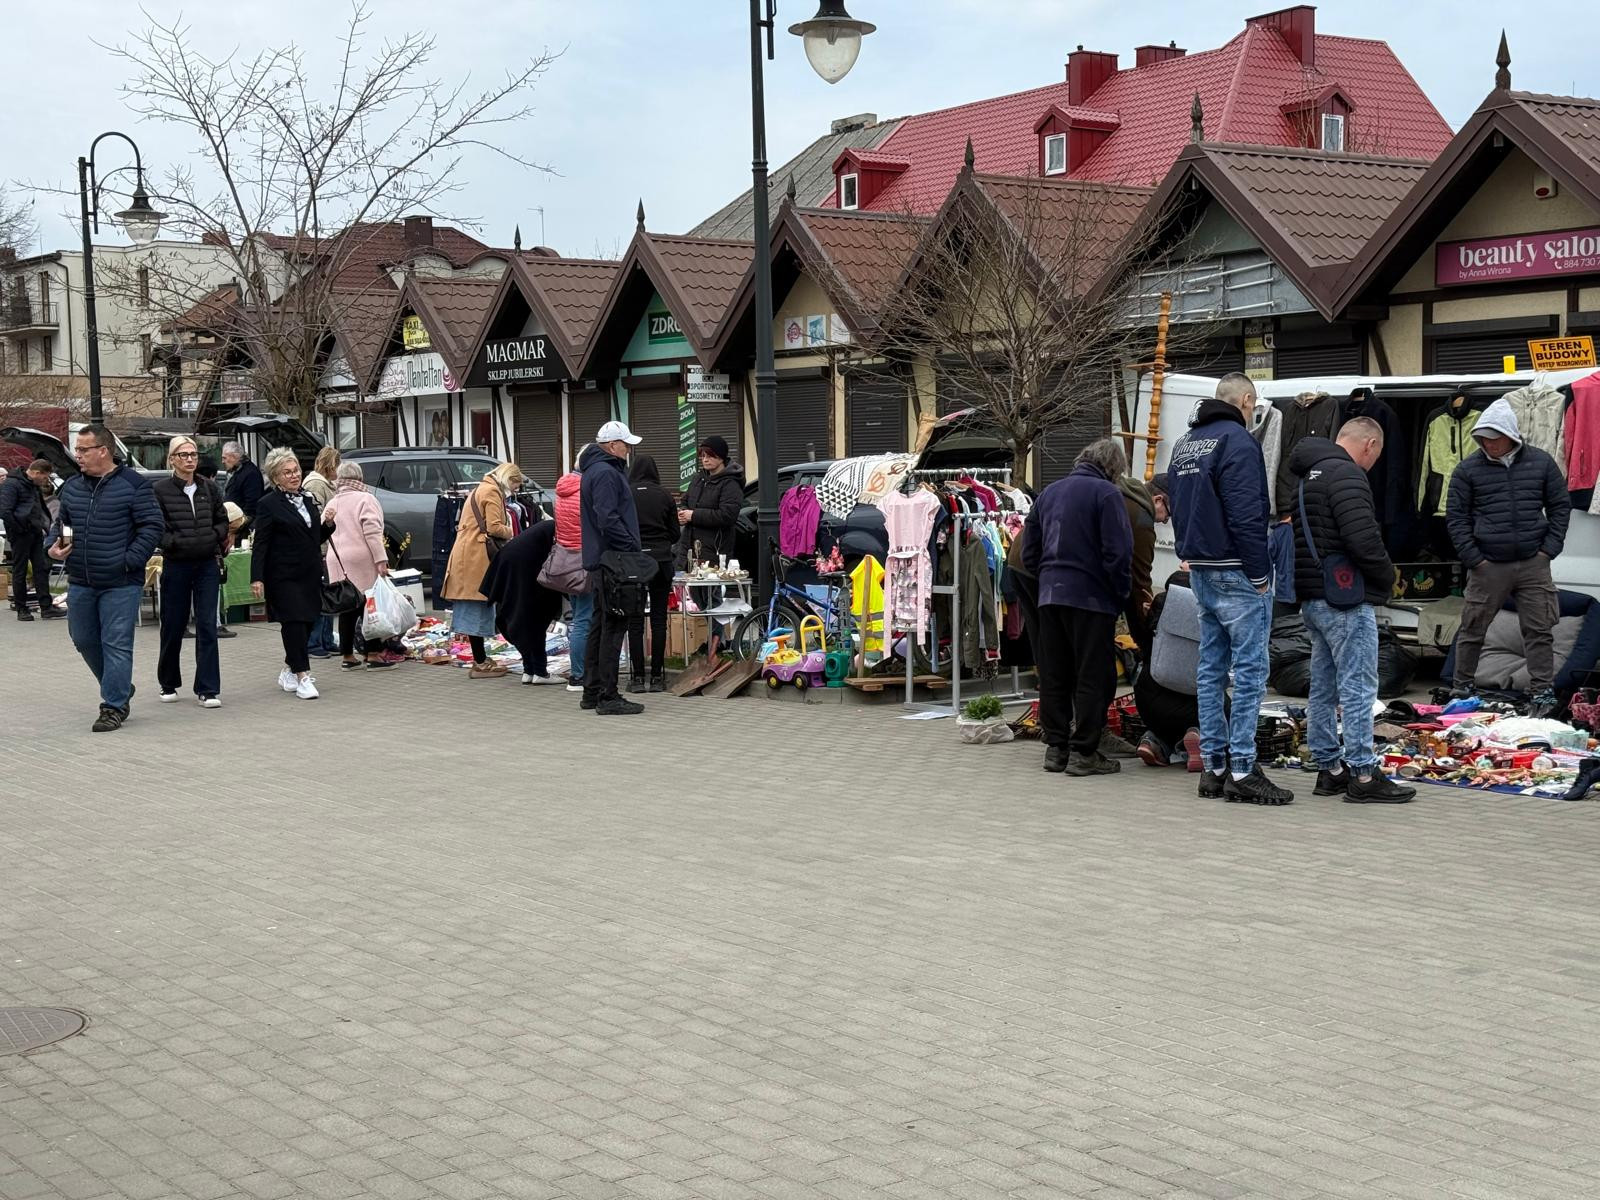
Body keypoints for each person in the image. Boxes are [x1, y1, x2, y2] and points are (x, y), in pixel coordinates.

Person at [1168, 372, 1293, 805]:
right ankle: (1242, 768)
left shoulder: (1186, 443)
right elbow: (1246, 512)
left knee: (1210, 670)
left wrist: (1188, 551)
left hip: (1201, 567)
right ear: (1246, 401)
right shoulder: (1238, 442)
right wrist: (1259, 573)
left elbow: (1178, 505)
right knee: (1250, 673)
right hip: (1236, 570)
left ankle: (1214, 767)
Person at [1288, 418, 1415, 804]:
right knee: (1358, 686)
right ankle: (1362, 773)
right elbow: (1363, 538)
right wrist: (1387, 576)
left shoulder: (1306, 477)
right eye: (1377, 454)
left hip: (1313, 596)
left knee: (1323, 687)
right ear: (1370, 444)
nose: (1374, 462)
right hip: (1344, 598)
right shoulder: (1346, 474)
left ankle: (1330, 769)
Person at [1448, 397, 1571, 717]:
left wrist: (1548, 550)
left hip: (1533, 562)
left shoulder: (1542, 463)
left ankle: (1542, 693)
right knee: (1472, 628)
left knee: (1539, 629)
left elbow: (1560, 506)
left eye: (1494, 437)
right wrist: (1474, 559)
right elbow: (1456, 518)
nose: (1488, 444)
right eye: (1483, 438)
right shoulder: (1467, 469)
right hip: (1487, 564)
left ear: (1510, 435)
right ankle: (1462, 688)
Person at [1022, 438, 1133, 776]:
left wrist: (1047, 578)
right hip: (1091, 599)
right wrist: (1119, 595)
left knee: (1054, 673)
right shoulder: (1107, 495)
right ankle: (1085, 751)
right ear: (1113, 468)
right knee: (1091, 675)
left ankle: (1056, 749)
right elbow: (1119, 553)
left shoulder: (1049, 493)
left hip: (1050, 595)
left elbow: (1029, 551)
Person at [47, 424, 164, 732]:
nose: (77, 455)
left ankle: (113, 706)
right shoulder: (73, 486)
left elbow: (152, 526)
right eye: (77, 449)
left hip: (120, 582)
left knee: (116, 643)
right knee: (83, 639)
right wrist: (55, 546)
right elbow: (64, 523)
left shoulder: (134, 485)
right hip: (81, 579)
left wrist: (129, 561)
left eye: (83, 449)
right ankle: (120, 686)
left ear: (103, 451)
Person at [250, 448, 335, 700]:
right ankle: (302, 676)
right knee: (294, 623)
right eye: (287, 472)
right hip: (282, 575)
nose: (294, 475)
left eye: (296, 470)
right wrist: (257, 577)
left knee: (308, 621)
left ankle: (289, 667)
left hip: (309, 572)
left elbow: (313, 537)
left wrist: (328, 525)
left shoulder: (307, 499)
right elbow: (261, 544)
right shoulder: (267, 504)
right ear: (276, 478)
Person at [152, 437, 230, 708]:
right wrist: (173, 542)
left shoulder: (209, 487)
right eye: (183, 455)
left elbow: (223, 519)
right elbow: (156, 526)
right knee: (173, 624)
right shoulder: (160, 490)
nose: (189, 459)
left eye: (193, 454)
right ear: (172, 459)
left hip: (206, 564)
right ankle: (168, 682)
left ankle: (208, 688)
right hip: (177, 564)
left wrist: (213, 536)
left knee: (207, 624)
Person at [579, 421, 645, 715]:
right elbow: (607, 518)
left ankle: (592, 690)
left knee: (600, 623)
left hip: (602, 558)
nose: (629, 449)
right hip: (613, 560)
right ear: (612, 445)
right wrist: (630, 546)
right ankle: (608, 695)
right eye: (625, 444)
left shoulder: (594, 470)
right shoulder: (606, 472)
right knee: (614, 625)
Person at [440, 461, 523, 679]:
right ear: (509, 479)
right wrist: (513, 530)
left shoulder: (480, 488)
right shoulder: (492, 492)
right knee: (477, 606)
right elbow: (494, 527)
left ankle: (481, 659)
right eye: (515, 486)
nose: (515, 491)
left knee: (473, 606)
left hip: (467, 554)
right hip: (476, 556)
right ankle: (480, 662)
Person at [323, 461, 393, 671]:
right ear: (360, 478)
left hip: (337, 560)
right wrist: (381, 560)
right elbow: (372, 532)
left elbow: (322, 530)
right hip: (361, 559)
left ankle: (347, 656)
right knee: (369, 607)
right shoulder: (366, 499)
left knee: (347, 608)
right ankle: (373, 654)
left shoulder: (333, 501)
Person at [481, 517, 565, 685]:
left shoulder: (549, 527)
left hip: (511, 564)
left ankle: (529, 670)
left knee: (522, 618)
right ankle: (540, 672)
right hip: (524, 568)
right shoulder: (562, 531)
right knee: (536, 620)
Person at [627, 453, 678, 693]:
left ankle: (637, 677)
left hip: (635, 561)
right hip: (661, 561)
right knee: (659, 619)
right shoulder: (665, 495)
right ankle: (657, 677)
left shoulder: (626, 493)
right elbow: (675, 533)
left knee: (635, 620)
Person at [1, 458, 61, 620]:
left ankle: (46, 607)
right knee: (20, 570)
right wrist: (19, 528)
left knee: (41, 568)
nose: (45, 481)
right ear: (36, 472)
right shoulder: (12, 484)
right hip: (20, 533)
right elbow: (5, 511)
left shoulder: (32, 485)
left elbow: (37, 507)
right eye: (44, 477)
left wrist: (43, 525)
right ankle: (22, 609)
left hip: (35, 531)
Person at [675, 435, 744, 568]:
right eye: (703, 456)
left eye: (710, 456)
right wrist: (682, 513)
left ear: (721, 457)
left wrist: (693, 515)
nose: (705, 460)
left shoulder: (730, 483)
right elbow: (685, 501)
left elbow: (727, 515)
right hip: (688, 548)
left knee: (709, 582)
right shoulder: (698, 478)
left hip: (714, 551)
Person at [554, 464, 591, 694]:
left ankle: (578, 671)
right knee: (584, 620)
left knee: (577, 618)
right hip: (584, 559)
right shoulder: (585, 490)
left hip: (566, 559)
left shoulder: (563, 489)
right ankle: (579, 675)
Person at [303, 445, 341, 658]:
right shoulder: (316, 485)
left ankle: (326, 640)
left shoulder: (324, 484)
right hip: (320, 548)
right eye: (337, 465)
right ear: (330, 465)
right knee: (321, 598)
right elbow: (314, 518)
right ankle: (315, 643)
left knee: (327, 597)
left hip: (326, 547)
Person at [222, 441, 265, 530]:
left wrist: (239, 526)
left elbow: (252, 506)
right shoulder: (240, 472)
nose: (222, 462)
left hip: (242, 527)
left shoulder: (251, 473)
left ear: (234, 457)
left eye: (224, 458)